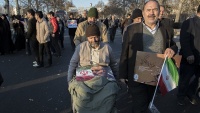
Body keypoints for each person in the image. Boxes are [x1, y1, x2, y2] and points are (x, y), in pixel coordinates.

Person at [119, 0, 178, 112]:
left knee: (148, 102)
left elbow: (174, 45)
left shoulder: (165, 30)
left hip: (155, 77)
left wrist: (172, 49)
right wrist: (122, 74)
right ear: (143, 12)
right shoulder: (132, 29)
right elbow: (124, 52)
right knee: (139, 105)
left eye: (155, 10)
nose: (151, 13)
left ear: (159, 11)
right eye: (148, 10)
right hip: (136, 76)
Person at [68, 24, 119, 113]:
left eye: (95, 37)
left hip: (103, 74)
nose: (93, 40)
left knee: (111, 88)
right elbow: (73, 64)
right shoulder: (81, 47)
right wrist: (69, 80)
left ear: (99, 36)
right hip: (85, 73)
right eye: (90, 37)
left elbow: (114, 64)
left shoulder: (107, 48)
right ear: (87, 37)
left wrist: (117, 78)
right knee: (81, 91)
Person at [177, 5, 200, 106]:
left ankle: (190, 92)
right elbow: (184, 40)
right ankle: (180, 96)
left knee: (198, 79)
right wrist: (189, 54)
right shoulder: (189, 22)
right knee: (185, 80)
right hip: (189, 58)